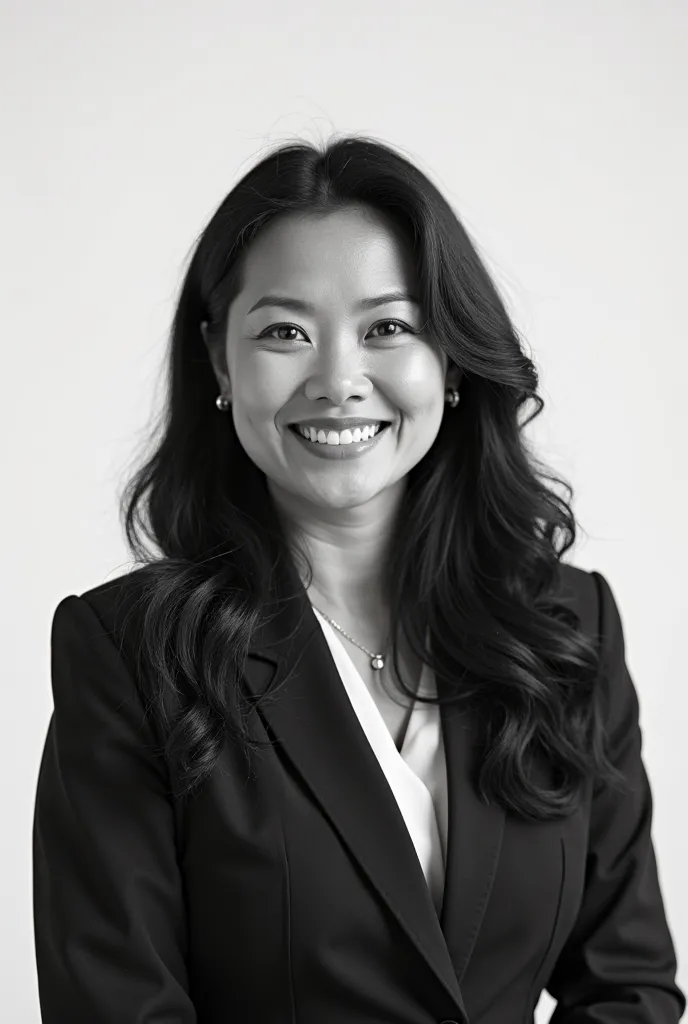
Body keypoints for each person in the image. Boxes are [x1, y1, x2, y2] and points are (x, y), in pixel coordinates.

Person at [32, 135, 685, 1024]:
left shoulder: (568, 627)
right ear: (222, 362)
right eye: (284, 332)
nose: (340, 380)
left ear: (449, 360)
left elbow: (630, 986)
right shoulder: (133, 655)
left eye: (388, 327)